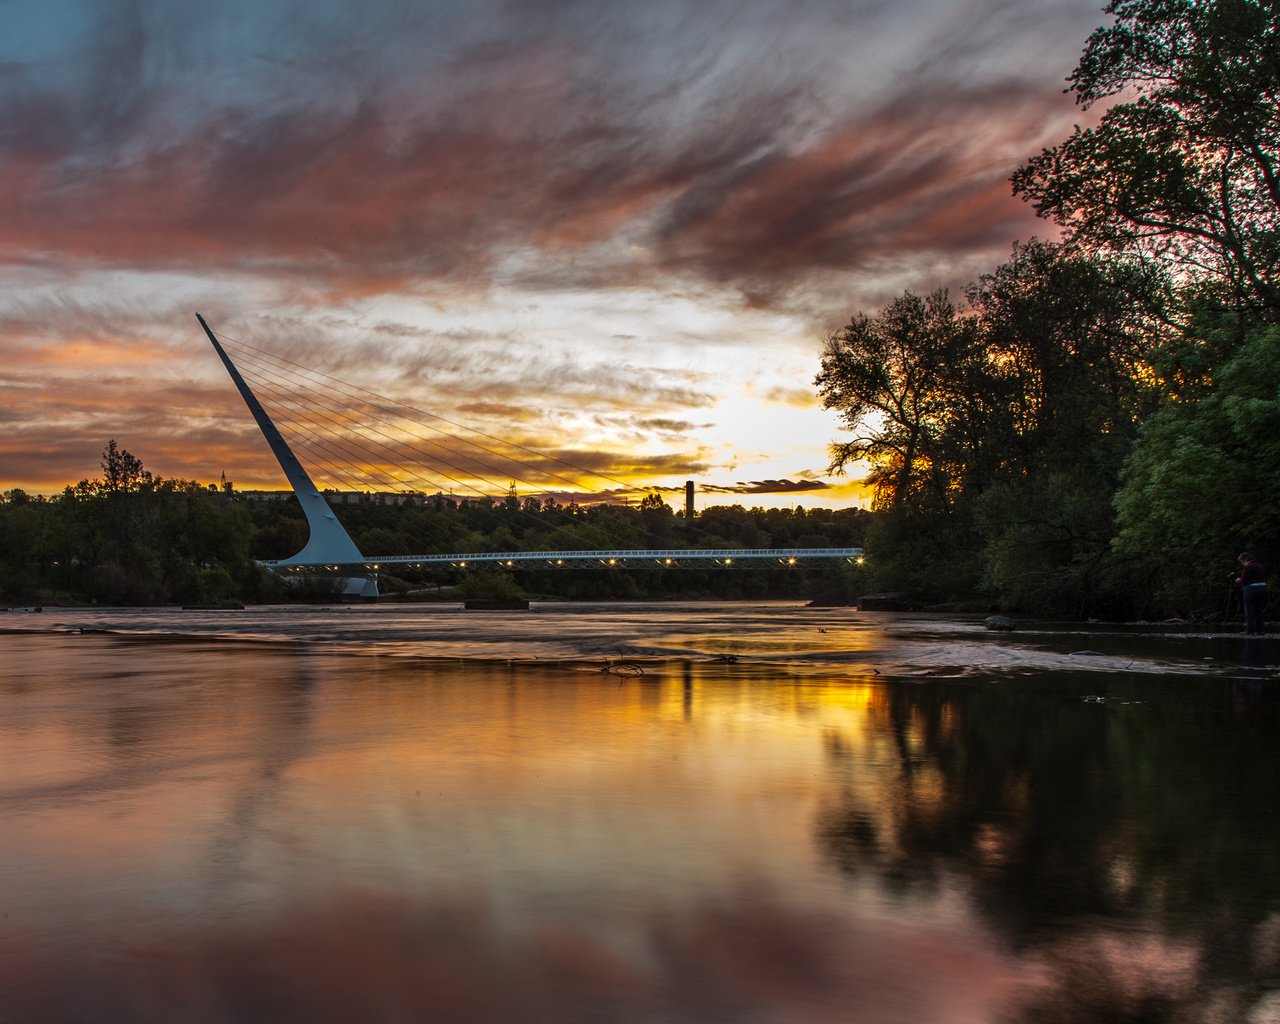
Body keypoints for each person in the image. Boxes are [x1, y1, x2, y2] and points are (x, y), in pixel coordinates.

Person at [1236, 552, 1268, 634]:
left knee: (1249, 610)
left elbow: (1244, 581)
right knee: (1259, 609)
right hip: (1263, 588)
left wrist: (1239, 580)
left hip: (1252, 589)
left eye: (1242, 562)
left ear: (1246, 559)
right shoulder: (1260, 565)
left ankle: (1250, 630)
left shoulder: (1248, 567)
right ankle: (1260, 630)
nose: (1242, 564)